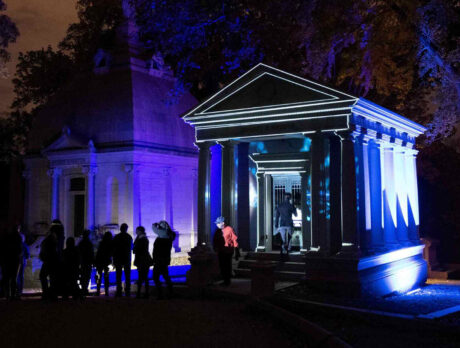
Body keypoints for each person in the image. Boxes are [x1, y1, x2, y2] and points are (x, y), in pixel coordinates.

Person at [152, 221, 175, 299]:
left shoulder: (163, 235)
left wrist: (156, 224)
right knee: (165, 277)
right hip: (163, 260)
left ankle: (162, 294)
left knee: (156, 277)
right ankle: (170, 292)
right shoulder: (167, 236)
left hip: (159, 260)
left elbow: (153, 227)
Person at [213, 216, 238, 286]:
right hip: (223, 251)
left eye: (218, 223)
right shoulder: (218, 231)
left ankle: (227, 280)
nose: (217, 224)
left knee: (226, 266)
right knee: (224, 266)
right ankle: (226, 280)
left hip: (226, 251)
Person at [2, 226, 23, 299]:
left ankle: (7, 294)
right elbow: (20, 250)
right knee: (14, 278)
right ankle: (14, 295)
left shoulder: (6, 237)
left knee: (7, 278)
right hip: (15, 259)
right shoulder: (18, 237)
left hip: (7, 259)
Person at [274, 192, 297, 260]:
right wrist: (294, 209)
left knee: (283, 239)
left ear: (284, 197)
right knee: (289, 237)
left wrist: (276, 224)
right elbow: (295, 214)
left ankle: (284, 250)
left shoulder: (280, 205)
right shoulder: (291, 205)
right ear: (289, 198)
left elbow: (277, 216)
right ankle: (289, 249)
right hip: (289, 223)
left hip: (282, 224)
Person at [113, 223, 133, 297]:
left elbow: (114, 248)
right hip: (127, 258)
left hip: (118, 258)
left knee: (118, 275)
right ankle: (127, 290)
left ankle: (119, 290)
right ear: (126, 229)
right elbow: (131, 247)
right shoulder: (129, 237)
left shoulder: (116, 237)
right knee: (127, 275)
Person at [39, 229, 59, 300]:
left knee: (43, 276)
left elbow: (42, 252)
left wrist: (43, 258)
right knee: (52, 278)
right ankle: (52, 294)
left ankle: (46, 293)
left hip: (47, 262)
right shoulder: (54, 242)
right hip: (52, 262)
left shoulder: (46, 242)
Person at [133, 226, 152, 299]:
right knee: (143, 277)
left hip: (142, 260)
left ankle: (140, 293)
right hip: (144, 259)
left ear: (140, 231)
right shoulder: (142, 238)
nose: (136, 232)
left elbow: (137, 248)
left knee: (141, 277)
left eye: (137, 231)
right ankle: (144, 293)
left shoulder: (142, 239)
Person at [95, 231, 113, 296]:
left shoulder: (101, 243)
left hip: (99, 261)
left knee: (98, 276)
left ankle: (98, 290)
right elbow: (111, 253)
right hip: (107, 262)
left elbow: (98, 253)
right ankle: (106, 291)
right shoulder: (111, 244)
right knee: (106, 276)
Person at [78, 230, 94, 296]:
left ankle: (83, 288)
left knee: (83, 275)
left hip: (83, 262)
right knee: (87, 276)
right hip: (87, 262)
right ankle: (85, 289)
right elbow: (91, 253)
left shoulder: (81, 243)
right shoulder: (89, 243)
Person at [16, 225, 30, 297]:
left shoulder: (18, 241)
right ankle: (19, 290)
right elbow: (27, 255)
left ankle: (17, 290)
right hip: (22, 260)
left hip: (18, 260)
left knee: (17, 276)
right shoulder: (24, 244)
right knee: (20, 276)